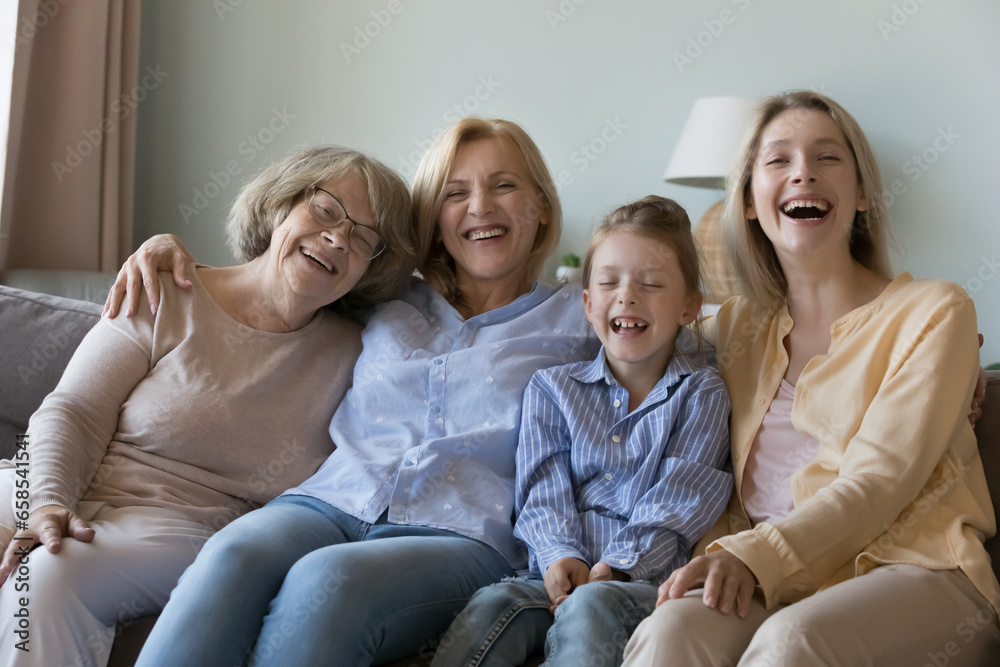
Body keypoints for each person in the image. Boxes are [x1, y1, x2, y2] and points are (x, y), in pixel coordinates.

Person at [106, 118, 602, 666]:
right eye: (455, 194)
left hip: (462, 534)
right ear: (435, 220)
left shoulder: (582, 318)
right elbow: (273, 282)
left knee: (331, 578)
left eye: (504, 186)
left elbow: (679, 345)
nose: (480, 207)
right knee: (232, 551)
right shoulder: (383, 298)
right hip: (332, 500)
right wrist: (166, 248)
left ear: (543, 206)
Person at [621, 91, 1000, 666]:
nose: (803, 173)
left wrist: (755, 557)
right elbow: (620, 332)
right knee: (671, 629)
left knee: (790, 643)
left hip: (917, 570)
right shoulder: (734, 327)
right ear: (748, 201)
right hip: (779, 583)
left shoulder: (934, 312)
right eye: (778, 161)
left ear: (863, 194)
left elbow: (881, 478)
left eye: (827, 158)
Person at [0, 145, 416, 666]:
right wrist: (42, 502)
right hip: (49, 481)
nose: (337, 238)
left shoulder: (364, 355)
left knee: (49, 576)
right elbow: (74, 410)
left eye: (365, 239)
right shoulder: (167, 289)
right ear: (280, 204)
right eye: (327, 210)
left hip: (183, 529)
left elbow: (454, 300)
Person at [431, 195, 733, 667]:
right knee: (490, 606)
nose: (627, 296)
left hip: (641, 585)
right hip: (552, 578)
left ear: (690, 307)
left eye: (651, 283)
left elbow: (679, 498)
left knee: (592, 608)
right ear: (590, 305)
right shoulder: (553, 389)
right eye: (610, 283)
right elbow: (541, 488)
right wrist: (558, 555)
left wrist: (616, 568)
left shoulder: (701, 393)